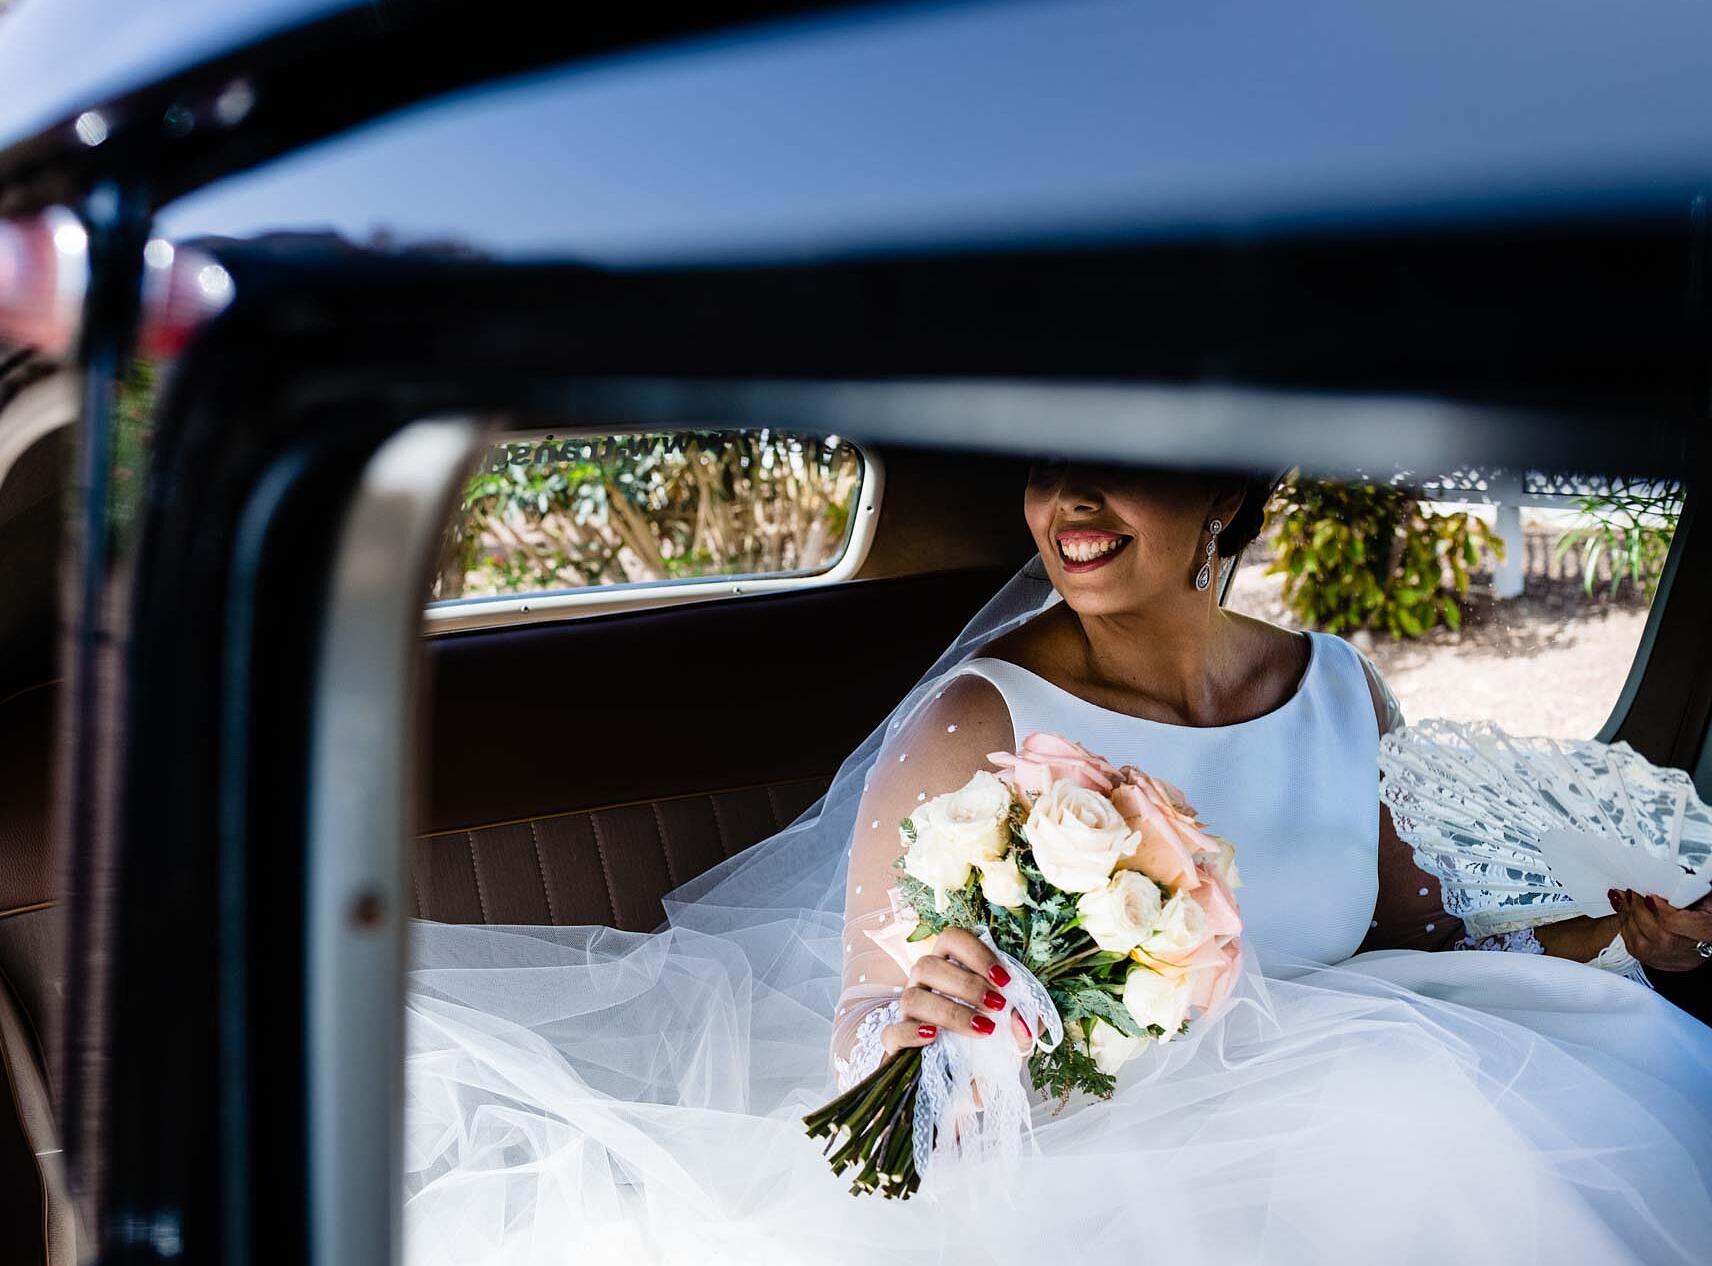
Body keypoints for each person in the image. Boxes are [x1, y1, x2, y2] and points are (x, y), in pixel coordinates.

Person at [403, 463, 1712, 1265]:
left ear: (1226, 493)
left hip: (1367, 1080)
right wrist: (935, 1032)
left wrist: (1616, 934)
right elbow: (873, 1027)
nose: (1070, 503)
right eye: (1046, 472)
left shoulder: (1339, 689)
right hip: (1108, 1145)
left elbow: (1412, 945)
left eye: (1120, 466)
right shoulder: (979, 719)